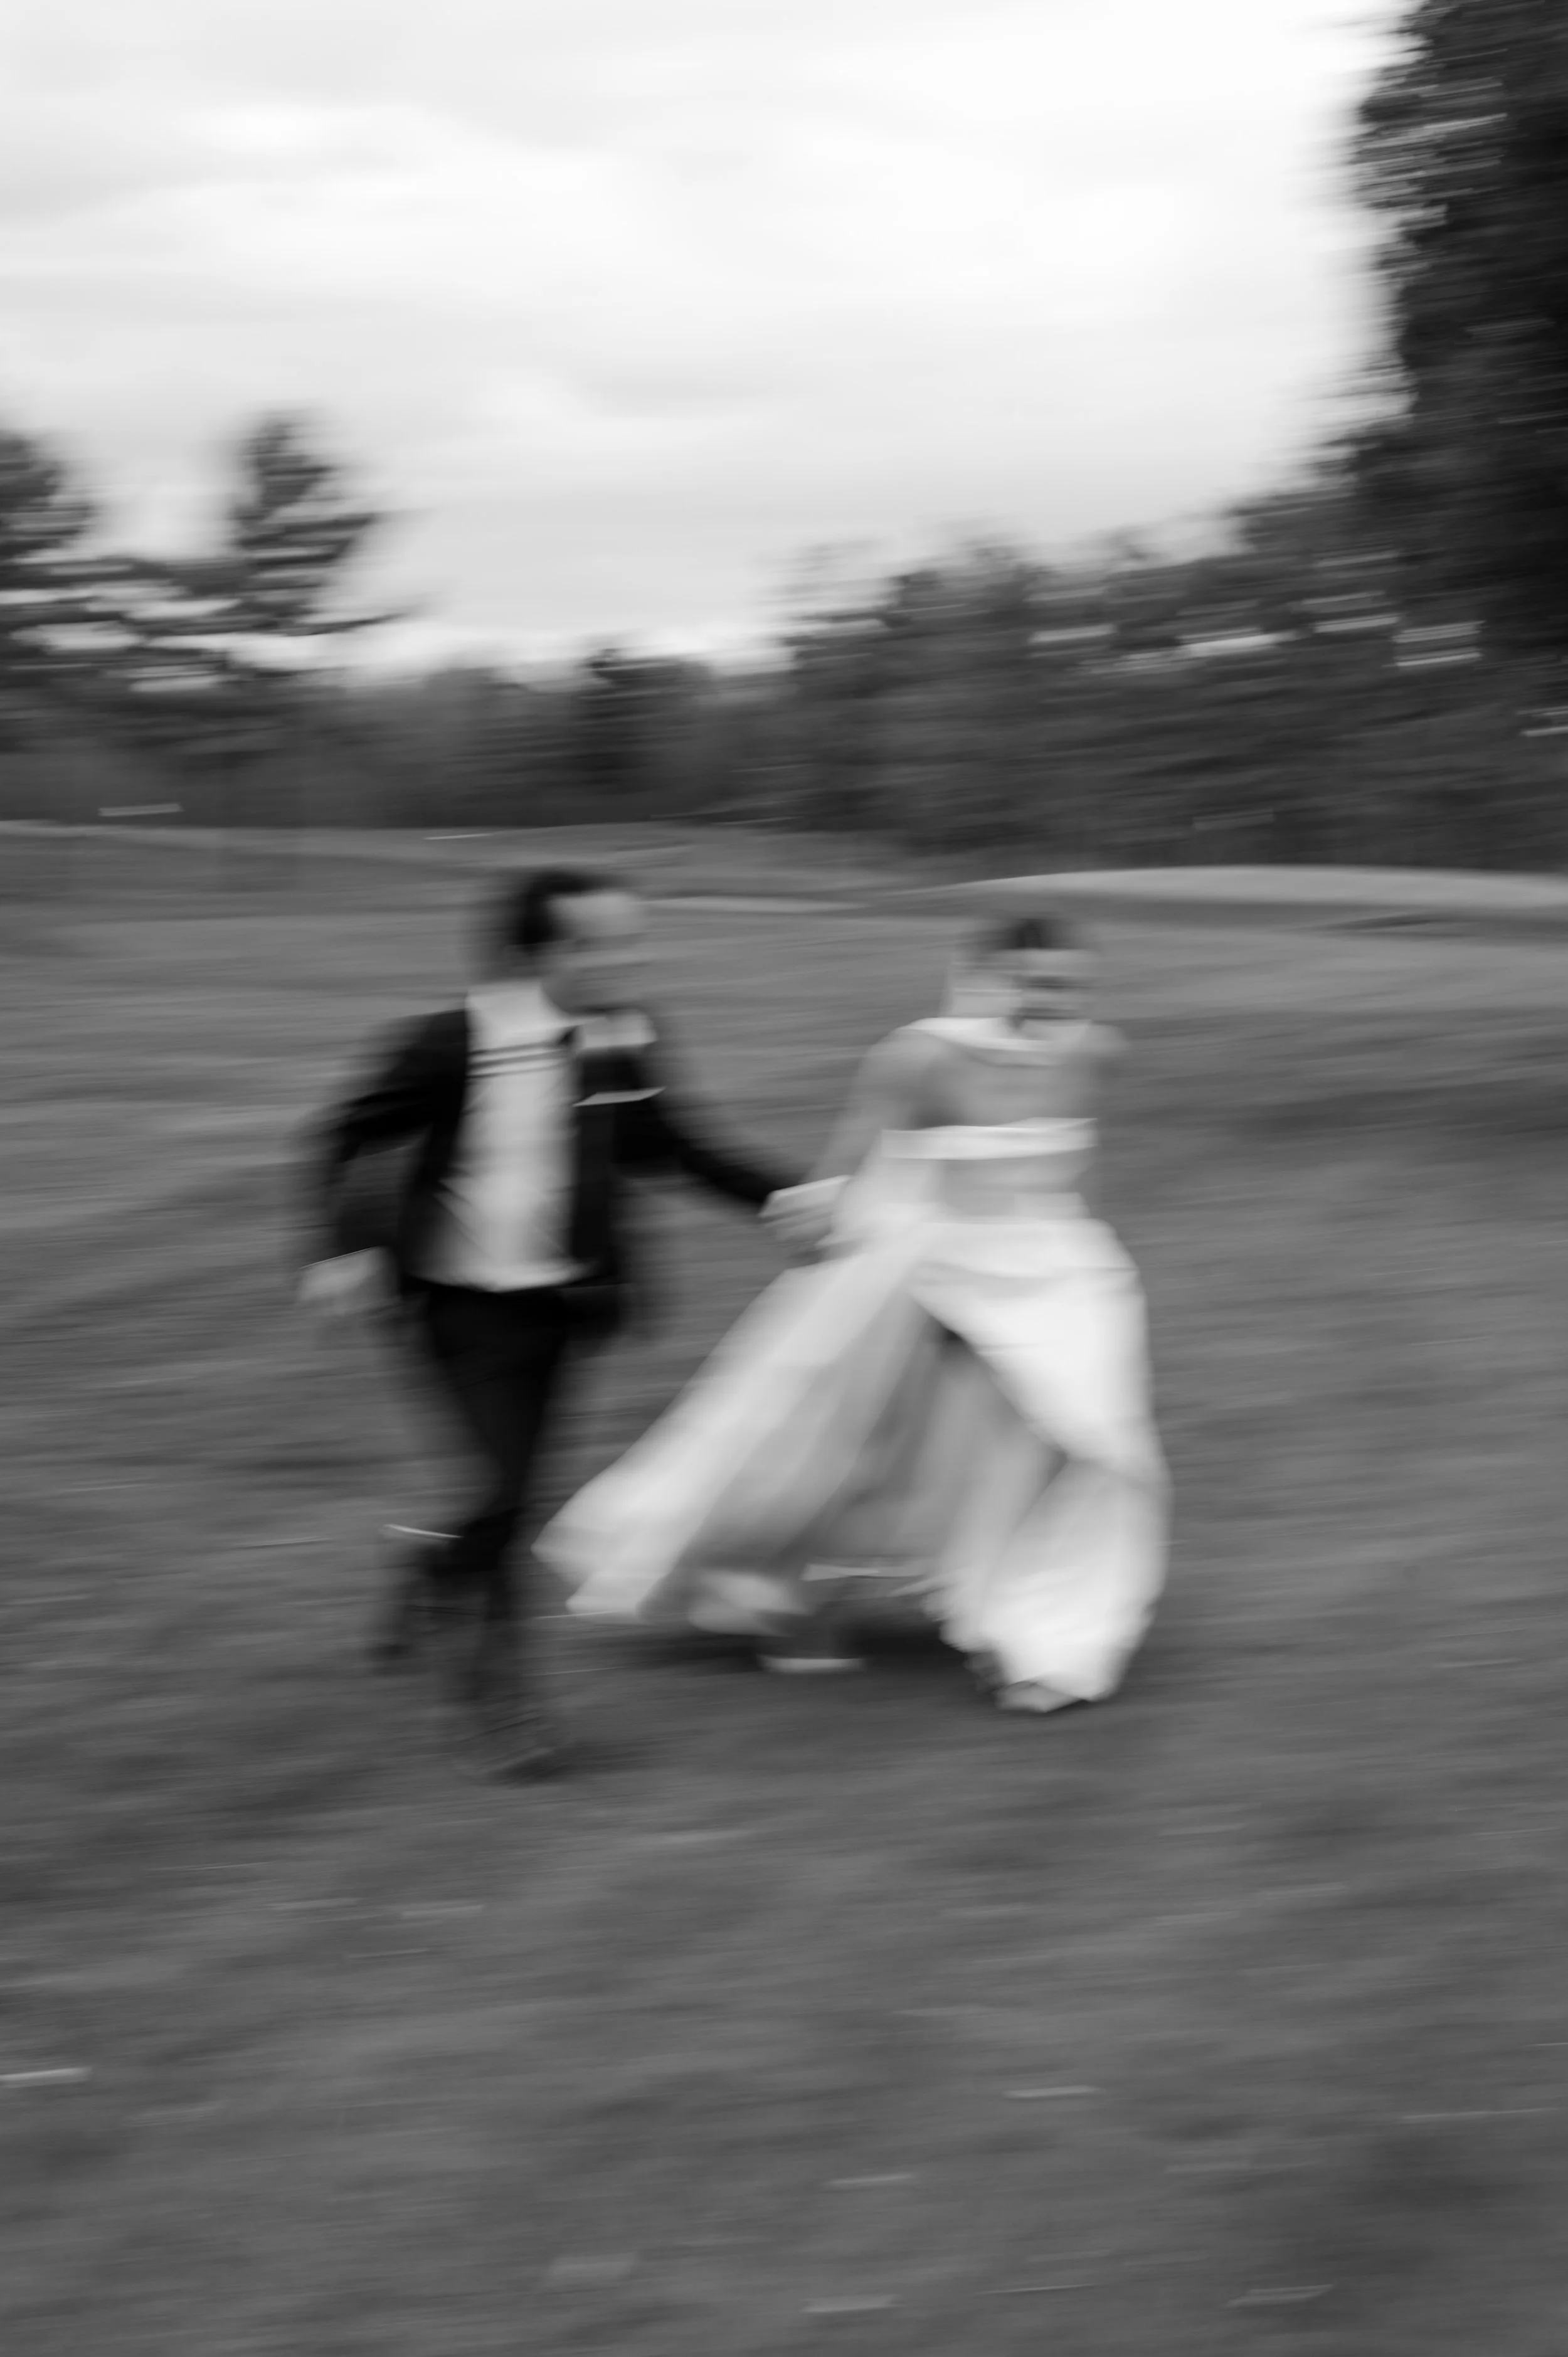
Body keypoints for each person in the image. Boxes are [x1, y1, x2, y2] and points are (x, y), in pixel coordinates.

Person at [538, 909, 1168, 1714]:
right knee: (845, 1448)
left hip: (1061, 1279)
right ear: (983, 975)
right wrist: (812, 1219)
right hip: (935, 1270)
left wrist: (1091, 1271)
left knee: (1092, 1448)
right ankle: (797, 1599)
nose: (1055, 1001)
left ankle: (1038, 1633)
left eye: (1072, 986)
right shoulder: (917, 1057)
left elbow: (1079, 1175)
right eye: (1035, 982)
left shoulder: (1097, 1051)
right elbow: (851, 1169)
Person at [299, 867, 799, 1778]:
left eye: (631, 938)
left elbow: (667, 1146)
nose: (630, 957)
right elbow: (344, 1135)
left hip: (567, 1308)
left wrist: (786, 1194)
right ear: (541, 954)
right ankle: (504, 1711)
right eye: (604, 943)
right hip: (461, 1307)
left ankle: (437, 1567)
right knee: (502, 1493)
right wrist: (340, 1248)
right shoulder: (451, 1043)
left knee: (510, 1496)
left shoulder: (625, 1035)